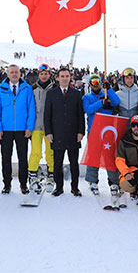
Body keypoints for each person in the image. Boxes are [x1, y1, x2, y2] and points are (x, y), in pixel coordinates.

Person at [0, 65, 36, 194]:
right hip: (6, 130)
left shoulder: (27, 88)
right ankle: (7, 184)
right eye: (12, 72)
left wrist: (29, 127)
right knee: (6, 158)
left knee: (23, 158)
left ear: (20, 73)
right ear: (7, 74)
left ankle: (23, 184)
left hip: (22, 130)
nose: (14, 74)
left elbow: (31, 109)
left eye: (16, 72)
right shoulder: (0, 89)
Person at [44, 68, 85, 196]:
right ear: (57, 78)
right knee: (57, 163)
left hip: (73, 134)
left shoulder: (76, 93)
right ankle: (59, 187)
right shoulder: (51, 94)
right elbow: (47, 115)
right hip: (57, 133)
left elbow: (80, 115)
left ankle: (75, 187)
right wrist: (48, 132)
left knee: (74, 163)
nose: (65, 78)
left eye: (67, 76)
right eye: (62, 76)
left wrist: (81, 132)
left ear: (70, 77)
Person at [82, 74, 120, 196]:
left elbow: (116, 101)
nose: (96, 84)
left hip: (107, 131)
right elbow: (88, 109)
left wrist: (109, 89)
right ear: (90, 84)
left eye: (97, 81)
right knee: (94, 157)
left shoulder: (107, 94)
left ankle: (114, 181)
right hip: (94, 131)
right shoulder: (87, 97)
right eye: (93, 82)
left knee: (109, 157)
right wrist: (101, 103)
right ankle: (92, 181)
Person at [29, 64, 55, 193]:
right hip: (36, 126)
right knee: (36, 152)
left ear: (49, 74)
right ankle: (32, 175)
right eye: (41, 74)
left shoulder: (54, 88)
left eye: (46, 74)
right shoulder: (33, 89)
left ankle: (51, 175)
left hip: (50, 127)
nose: (44, 76)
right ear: (38, 75)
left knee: (50, 152)